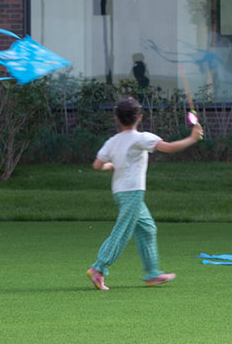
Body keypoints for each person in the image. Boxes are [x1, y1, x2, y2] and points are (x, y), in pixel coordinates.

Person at [86, 95, 202, 290]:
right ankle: (98, 268)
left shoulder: (113, 141)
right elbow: (171, 148)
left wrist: (111, 166)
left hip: (121, 192)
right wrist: (192, 138)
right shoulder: (142, 138)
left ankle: (152, 274)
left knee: (147, 227)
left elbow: (97, 165)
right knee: (122, 231)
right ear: (139, 117)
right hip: (132, 192)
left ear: (117, 119)